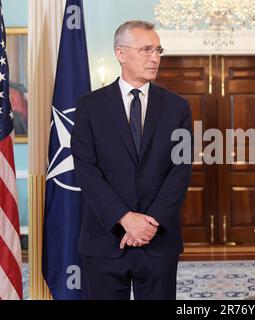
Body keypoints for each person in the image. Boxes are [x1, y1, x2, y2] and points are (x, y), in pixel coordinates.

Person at [71, 20, 192, 300]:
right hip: (105, 239)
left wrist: (149, 224)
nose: (155, 57)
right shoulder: (90, 106)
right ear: (121, 53)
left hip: (158, 239)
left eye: (159, 50)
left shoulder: (177, 107)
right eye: (146, 49)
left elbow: (180, 170)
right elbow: (86, 171)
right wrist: (124, 218)